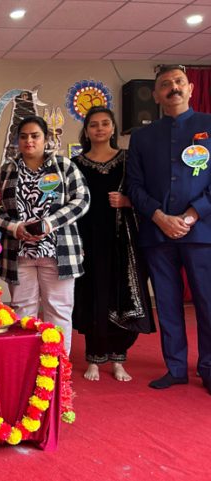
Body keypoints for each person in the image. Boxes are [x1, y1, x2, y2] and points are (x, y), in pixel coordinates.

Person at [128, 64, 211, 394]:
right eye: (165, 84)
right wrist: (160, 217)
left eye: (178, 82)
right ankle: (175, 367)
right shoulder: (143, 136)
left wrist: (192, 215)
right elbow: (134, 186)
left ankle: (208, 367)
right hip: (157, 234)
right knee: (167, 303)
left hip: (202, 233)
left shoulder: (209, 126)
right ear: (157, 95)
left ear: (190, 88)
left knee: (207, 303)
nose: (172, 88)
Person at [72, 107, 155, 382]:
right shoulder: (76, 164)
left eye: (105, 123)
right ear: (86, 131)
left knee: (122, 294)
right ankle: (94, 357)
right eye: (93, 125)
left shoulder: (127, 160)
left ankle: (119, 358)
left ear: (114, 128)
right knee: (92, 295)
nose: (99, 129)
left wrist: (128, 202)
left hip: (123, 239)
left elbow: (145, 193)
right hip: (89, 240)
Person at [0, 115, 90, 354]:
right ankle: (25, 370)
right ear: (17, 140)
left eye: (35, 136)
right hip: (20, 255)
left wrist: (49, 223)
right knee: (22, 311)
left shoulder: (64, 166)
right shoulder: (7, 170)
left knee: (58, 311)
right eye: (24, 136)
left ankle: (57, 371)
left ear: (45, 138)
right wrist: (15, 227)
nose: (29, 141)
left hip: (58, 254)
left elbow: (82, 200)